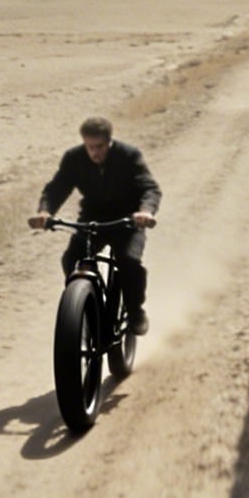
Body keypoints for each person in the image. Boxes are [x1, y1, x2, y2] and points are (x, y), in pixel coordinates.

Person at [29, 116, 160, 334]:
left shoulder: (128, 155)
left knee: (128, 262)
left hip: (127, 220)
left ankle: (135, 312)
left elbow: (150, 188)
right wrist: (45, 212)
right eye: (89, 147)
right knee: (71, 259)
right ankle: (83, 305)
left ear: (109, 142)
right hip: (92, 218)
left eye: (99, 147)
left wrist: (145, 211)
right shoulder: (74, 158)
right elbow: (57, 188)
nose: (94, 153)